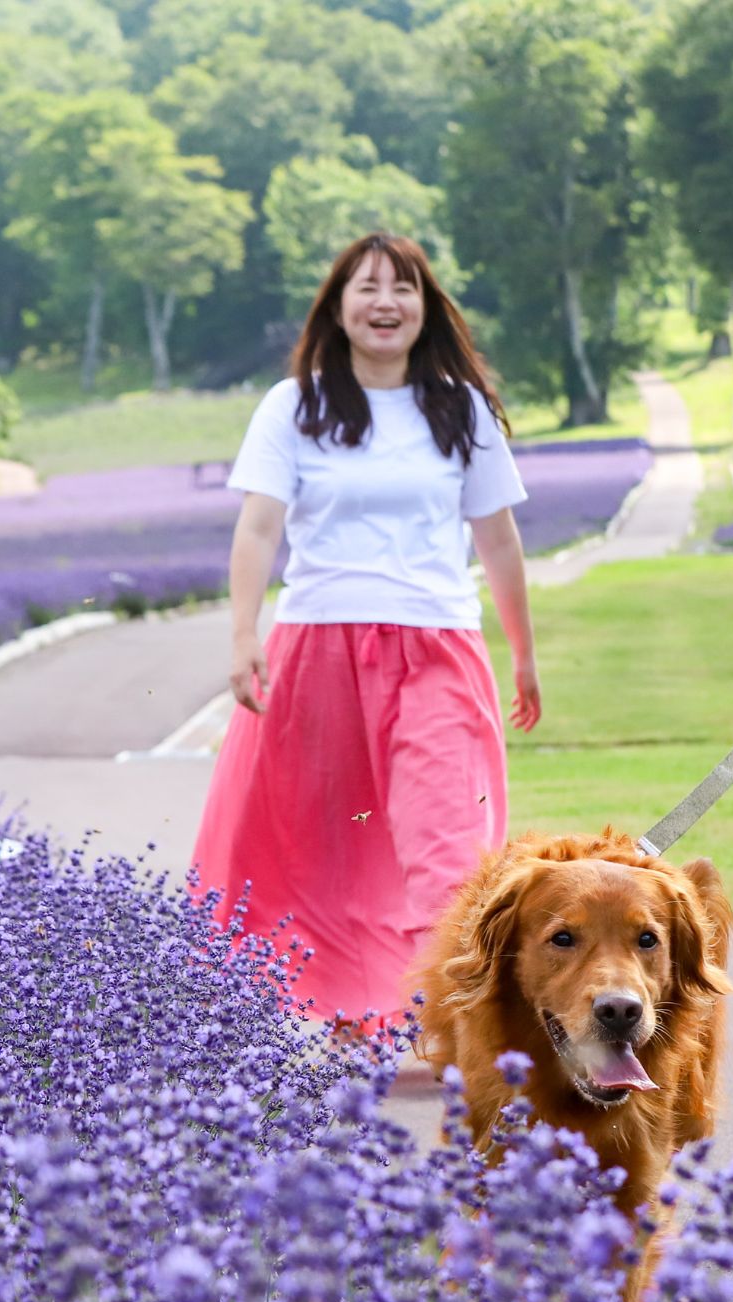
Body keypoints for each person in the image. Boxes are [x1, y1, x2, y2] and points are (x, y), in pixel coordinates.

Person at [191, 233, 541, 1026]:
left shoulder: (462, 408)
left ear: (427, 307)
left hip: (435, 647)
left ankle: (453, 1017)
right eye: (368, 287)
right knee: (327, 845)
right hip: (318, 646)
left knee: (446, 832)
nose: (386, 303)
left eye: (404, 288)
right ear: (338, 307)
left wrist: (522, 652)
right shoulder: (296, 407)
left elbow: (498, 541)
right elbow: (257, 530)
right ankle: (351, 1007)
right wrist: (244, 635)